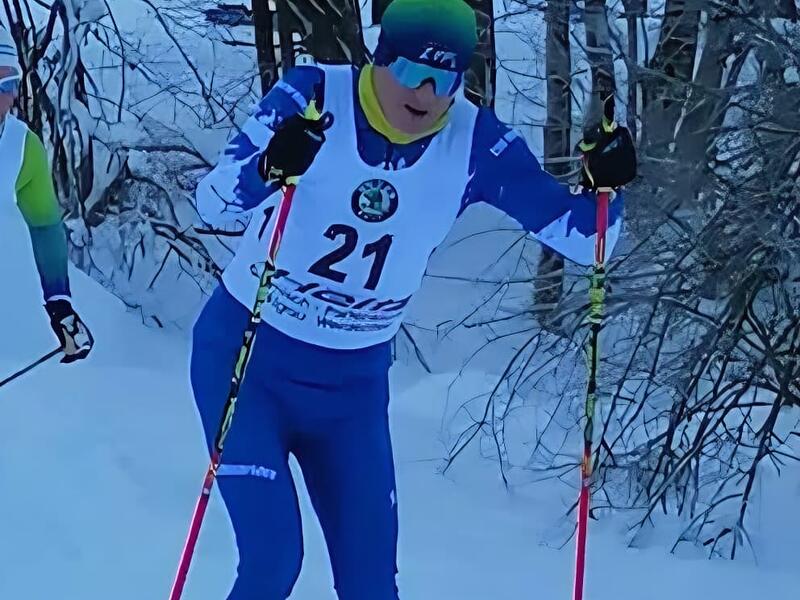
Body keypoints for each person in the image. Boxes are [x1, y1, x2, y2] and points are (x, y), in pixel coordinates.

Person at [191, 0, 637, 597]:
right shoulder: (313, 97)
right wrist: (270, 167)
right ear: (381, 59)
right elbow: (214, 203)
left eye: (446, 77)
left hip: (352, 387)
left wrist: (608, 186)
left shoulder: (475, 141)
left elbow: (594, 243)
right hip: (248, 364)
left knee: (372, 583)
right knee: (274, 560)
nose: (426, 92)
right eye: (411, 71)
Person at [0, 26, 93, 363]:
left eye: (8, 84)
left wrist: (59, 302)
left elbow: (44, 226)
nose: (2, 99)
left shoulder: (21, 147)